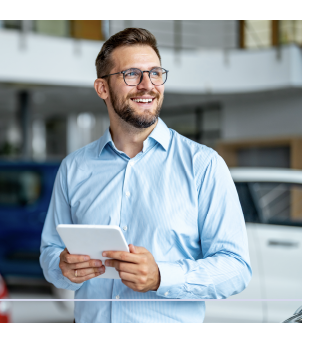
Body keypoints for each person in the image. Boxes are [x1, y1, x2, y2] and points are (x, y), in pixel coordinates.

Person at [39, 28, 251, 323]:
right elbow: (50, 251)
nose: (147, 85)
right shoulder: (74, 167)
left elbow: (236, 269)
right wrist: (62, 267)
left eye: (155, 73)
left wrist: (162, 276)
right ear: (102, 88)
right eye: (132, 74)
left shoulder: (203, 165)